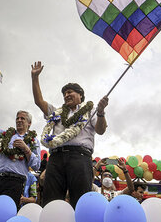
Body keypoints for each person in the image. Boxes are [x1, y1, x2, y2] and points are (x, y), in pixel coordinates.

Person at [31, 61, 109, 208]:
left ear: (80, 95)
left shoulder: (90, 111)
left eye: (70, 92)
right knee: (51, 202)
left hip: (80, 158)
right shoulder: (57, 112)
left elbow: (101, 130)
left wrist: (100, 112)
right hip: (56, 159)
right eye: (65, 94)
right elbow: (39, 101)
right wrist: (35, 77)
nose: (66, 95)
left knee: (80, 202)